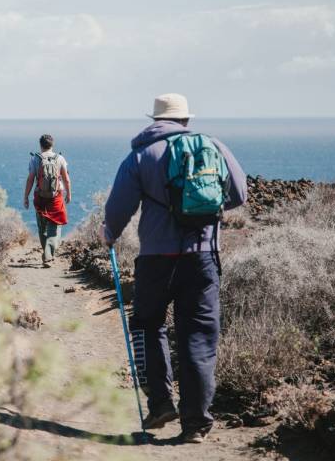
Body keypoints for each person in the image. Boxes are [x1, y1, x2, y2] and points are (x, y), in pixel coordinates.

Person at [99, 94, 247, 443]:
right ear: (185, 120)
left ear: (155, 120)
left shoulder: (140, 155)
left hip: (155, 259)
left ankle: (161, 402)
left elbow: (119, 207)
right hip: (203, 256)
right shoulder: (212, 146)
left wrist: (109, 233)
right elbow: (240, 193)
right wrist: (204, 209)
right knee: (197, 337)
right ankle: (195, 425)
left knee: (148, 326)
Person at [24, 134, 71, 267]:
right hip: (56, 196)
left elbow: (30, 179)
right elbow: (66, 179)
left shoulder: (35, 159)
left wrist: (26, 197)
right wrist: (69, 194)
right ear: (52, 145)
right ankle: (49, 255)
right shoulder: (60, 158)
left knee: (41, 227)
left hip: (40, 197)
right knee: (55, 226)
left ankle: (47, 254)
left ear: (40, 145)